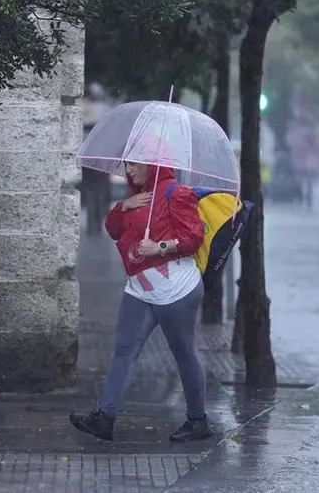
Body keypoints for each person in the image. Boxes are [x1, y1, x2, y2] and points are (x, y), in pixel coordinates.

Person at [70, 161, 213, 442]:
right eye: (127, 165)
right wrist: (124, 206)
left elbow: (194, 236)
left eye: (135, 165)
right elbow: (112, 229)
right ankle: (105, 418)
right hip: (139, 287)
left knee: (183, 353)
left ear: (153, 165)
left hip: (176, 289)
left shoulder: (176, 193)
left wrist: (159, 247)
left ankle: (198, 421)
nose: (129, 171)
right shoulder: (136, 197)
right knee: (124, 350)